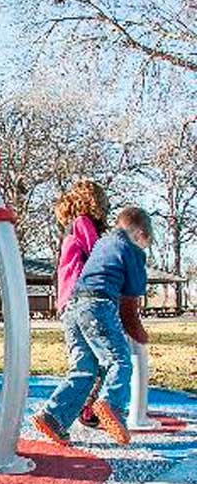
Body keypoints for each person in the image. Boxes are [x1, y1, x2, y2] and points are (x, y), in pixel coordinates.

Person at [32, 206, 152, 446]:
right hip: (98, 306)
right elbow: (129, 303)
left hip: (72, 308)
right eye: (146, 242)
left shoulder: (102, 244)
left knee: (84, 369)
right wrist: (138, 332)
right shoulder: (133, 251)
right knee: (119, 361)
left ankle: (53, 416)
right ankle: (112, 405)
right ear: (140, 235)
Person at [53, 181, 148, 428]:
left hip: (69, 303)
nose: (106, 208)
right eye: (104, 203)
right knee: (114, 358)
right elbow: (99, 256)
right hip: (88, 297)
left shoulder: (69, 228)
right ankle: (106, 405)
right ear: (93, 202)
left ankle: (58, 416)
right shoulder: (83, 223)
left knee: (85, 365)